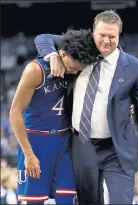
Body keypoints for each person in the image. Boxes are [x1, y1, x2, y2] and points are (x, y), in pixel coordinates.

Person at [34, 10, 138, 204]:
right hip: (82, 145)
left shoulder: (136, 68)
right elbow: (42, 38)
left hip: (117, 149)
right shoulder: (78, 48)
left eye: (112, 36)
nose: (107, 41)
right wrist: (52, 56)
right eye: (102, 35)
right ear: (93, 32)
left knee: (121, 201)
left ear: (119, 36)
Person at [9, 29, 100, 205]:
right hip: (37, 140)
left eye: (77, 69)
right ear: (62, 53)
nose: (74, 72)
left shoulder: (77, 67)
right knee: (34, 201)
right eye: (72, 67)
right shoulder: (35, 70)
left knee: (68, 198)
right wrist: (28, 154)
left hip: (64, 140)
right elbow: (14, 112)